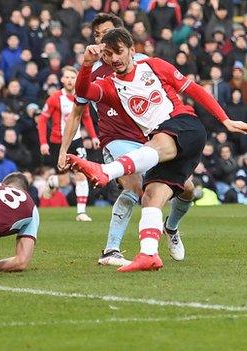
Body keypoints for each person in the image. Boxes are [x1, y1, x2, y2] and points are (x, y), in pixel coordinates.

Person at [67, 28, 247, 272]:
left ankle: (106, 171)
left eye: (119, 52)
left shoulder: (155, 66)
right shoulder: (110, 86)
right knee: (152, 197)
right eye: (108, 54)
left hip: (184, 126)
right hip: (162, 143)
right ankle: (150, 252)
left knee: (155, 145)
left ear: (132, 50)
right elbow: (83, 92)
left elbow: (194, 90)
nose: (114, 58)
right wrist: (85, 65)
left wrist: (225, 120)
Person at [57, 14, 148, 265]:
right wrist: (64, 149)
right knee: (133, 185)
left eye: (106, 33)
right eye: (97, 36)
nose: (101, 40)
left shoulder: (142, 63)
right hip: (114, 139)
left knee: (182, 188)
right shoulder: (91, 73)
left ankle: (171, 229)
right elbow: (76, 114)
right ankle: (111, 250)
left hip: (147, 137)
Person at [38, 65, 98, 222]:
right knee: (64, 180)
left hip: (76, 140)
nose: (70, 80)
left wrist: (93, 137)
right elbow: (43, 119)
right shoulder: (54, 98)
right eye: (68, 77)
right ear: (62, 79)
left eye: (73, 77)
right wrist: (43, 143)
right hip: (58, 142)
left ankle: (81, 213)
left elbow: (85, 117)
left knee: (81, 175)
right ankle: (52, 181)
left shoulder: (81, 97)